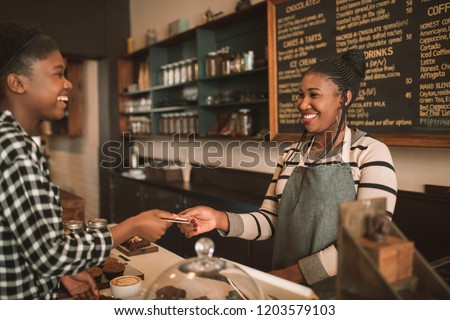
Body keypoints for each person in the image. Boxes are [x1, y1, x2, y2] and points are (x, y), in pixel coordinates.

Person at [179, 49, 397, 295]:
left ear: (343, 99)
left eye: (314, 95)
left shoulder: (370, 153)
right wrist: (219, 219)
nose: (302, 104)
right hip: (288, 291)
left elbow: (366, 240)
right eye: (301, 95)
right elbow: (271, 220)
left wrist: (286, 276)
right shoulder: (292, 155)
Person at [0, 21, 176, 299]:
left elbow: (21, 244)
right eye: (58, 74)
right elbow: (50, 253)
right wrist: (132, 226)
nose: (68, 83)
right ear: (17, 83)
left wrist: (61, 272)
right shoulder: (15, 148)